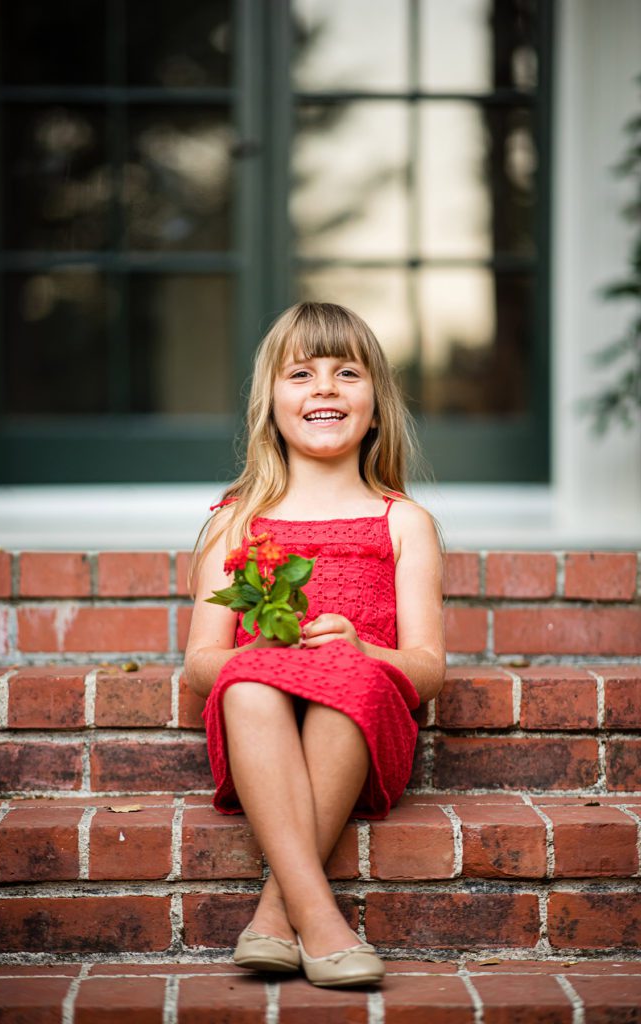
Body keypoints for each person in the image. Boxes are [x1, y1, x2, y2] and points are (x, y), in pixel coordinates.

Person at [184, 301, 445, 988]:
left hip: (362, 723)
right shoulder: (237, 523)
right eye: (301, 373)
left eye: (347, 373)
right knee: (248, 683)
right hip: (256, 722)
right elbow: (201, 664)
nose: (324, 387)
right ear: (271, 406)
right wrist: (266, 658)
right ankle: (321, 922)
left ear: (377, 406)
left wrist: (364, 650)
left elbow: (427, 669)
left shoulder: (403, 522)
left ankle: (278, 911)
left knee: (344, 680)